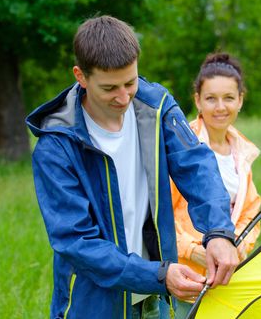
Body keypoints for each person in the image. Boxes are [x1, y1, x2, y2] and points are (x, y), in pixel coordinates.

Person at [26, 16, 239, 319]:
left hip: (156, 298)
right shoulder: (56, 146)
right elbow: (76, 242)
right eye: (110, 88)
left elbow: (197, 166)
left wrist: (218, 232)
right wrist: (158, 275)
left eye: (130, 82)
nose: (124, 97)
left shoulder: (156, 106)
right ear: (81, 76)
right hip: (93, 303)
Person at [170, 52, 261, 318]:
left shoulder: (242, 153)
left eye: (228, 98)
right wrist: (194, 251)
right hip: (185, 274)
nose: (220, 107)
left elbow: (250, 212)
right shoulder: (180, 148)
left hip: (225, 276)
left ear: (241, 100)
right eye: (211, 98)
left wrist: (239, 245)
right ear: (197, 100)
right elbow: (159, 213)